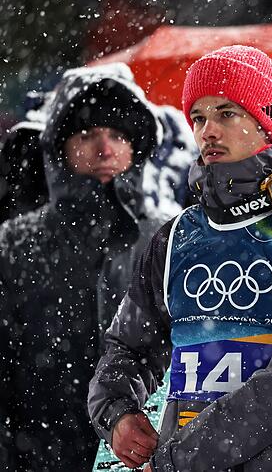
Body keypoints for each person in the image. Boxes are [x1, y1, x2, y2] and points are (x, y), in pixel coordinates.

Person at [86, 45, 272, 472]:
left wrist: (183, 455)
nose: (207, 131)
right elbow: (128, 346)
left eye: (226, 114)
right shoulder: (175, 237)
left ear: (267, 120)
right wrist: (118, 412)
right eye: (198, 118)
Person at [0, 64, 161, 468]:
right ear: (60, 147)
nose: (105, 150)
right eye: (87, 135)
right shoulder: (13, 244)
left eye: (119, 136)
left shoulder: (168, 239)